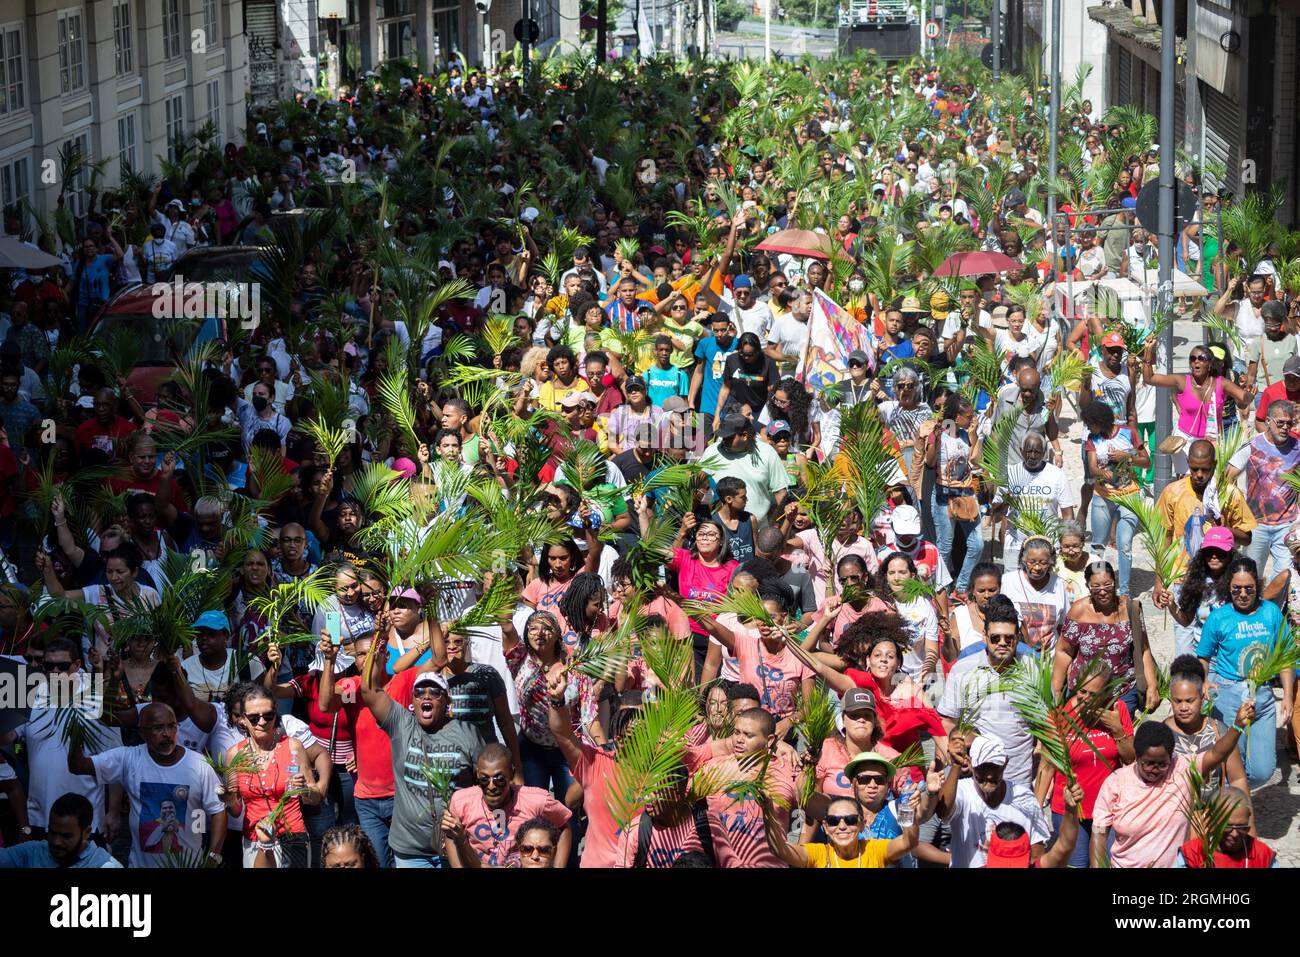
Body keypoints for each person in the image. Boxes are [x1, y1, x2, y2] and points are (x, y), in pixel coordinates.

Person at [358, 653, 483, 867]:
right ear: (413, 700)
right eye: (419, 692)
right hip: (411, 850)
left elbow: (483, 783)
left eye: (435, 692)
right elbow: (369, 690)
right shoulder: (401, 724)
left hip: (455, 844)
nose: (426, 696)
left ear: (446, 701)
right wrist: (377, 646)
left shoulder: (467, 732)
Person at [66, 702, 227, 868]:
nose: (167, 734)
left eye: (172, 726)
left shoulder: (199, 764)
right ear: (143, 733)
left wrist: (213, 858)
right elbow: (78, 766)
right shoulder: (129, 758)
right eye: (158, 728)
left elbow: (218, 810)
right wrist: (76, 727)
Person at [1091, 714, 1253, 867]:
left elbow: (1217, 753)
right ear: (1137, 757)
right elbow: (1099, 832)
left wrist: (1237, 726)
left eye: (1162, 764)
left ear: (1171, 758)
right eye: (1148, 763)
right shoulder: (1116, 782)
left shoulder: (1182, 768)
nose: (1155, 769)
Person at [1197, 557, 1294, 788]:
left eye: (1248, 588)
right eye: (1236, 589)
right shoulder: (1218, 617)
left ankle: (1233, 796)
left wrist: (1288, 696)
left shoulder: (1271, 613)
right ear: (1228, 587)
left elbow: (1285, 658)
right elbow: (1203, 656)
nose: (1242, 594)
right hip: (1229, 696)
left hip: (1262, 696)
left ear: (1257, 587)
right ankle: (1233, 811)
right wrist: (1204, 681)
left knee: (1263, 770)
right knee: (1232, 763)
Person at [1033, 664, 1136, 868]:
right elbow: (1046, 768)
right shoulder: (1059, 715)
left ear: (1106, 693)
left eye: (1093, 694)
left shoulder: (1117, 709)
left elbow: (1131, 760)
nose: (1085, 699)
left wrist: (1117, 728)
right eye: (1082, 691)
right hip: (1070, 810)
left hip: (1109, 810)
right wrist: (1034, 812)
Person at [939, 596, 1033, 785]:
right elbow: (947, 721)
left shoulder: (1033, 670)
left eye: (1009, 638)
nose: (1002, 643)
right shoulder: (963, 669)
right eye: (995, 638)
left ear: (1017, 638)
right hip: (974, 779)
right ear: (984, 636)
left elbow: (1045, 729)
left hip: (1017, 780)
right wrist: (955, 751)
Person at [1053, 560, 1158, 716]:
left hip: (1122, 691)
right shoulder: (1079, 611)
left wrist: (1152, 686)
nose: (1102, 591)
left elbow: (1144, 650)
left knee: (1120, 736)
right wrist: (1056, 691)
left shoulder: (1130, 610)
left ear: (1115, 583)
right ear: (1087, 585)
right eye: (1095, 586)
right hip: (1084, 693)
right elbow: (1064, 651)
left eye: (1107, 585)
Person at [442, 744, 573, 868]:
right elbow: (451, 836)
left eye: (499, 779)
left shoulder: (536, 801)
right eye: (484, 779)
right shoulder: (461, 802)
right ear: (477, 775)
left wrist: (558, 865)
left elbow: (563, 827)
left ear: (512, 774)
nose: (491, 786)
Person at [937, 734, 1051, 868]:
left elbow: (1037, 852)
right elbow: (943, 812)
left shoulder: (1025, 798)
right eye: (983, 767)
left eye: (995, 767)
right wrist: (956, 764)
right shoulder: (962, 791)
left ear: (1005, 764)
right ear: (971, 763)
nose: (990, 775)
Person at [1143, 343, 1252, 476]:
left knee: (1210, 481)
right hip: (1184, 440)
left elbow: (1244, 398)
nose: (1196, 362)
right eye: (1193, 358)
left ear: (1210, 363)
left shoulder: (1221, 383)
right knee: (1185, 482)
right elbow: (1150, 379)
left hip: (1211, 440)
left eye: (1201, 358)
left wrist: (1249, 392)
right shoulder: (1182, 381)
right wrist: (1148, 354)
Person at [1226, 399, 1300, 579]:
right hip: (1256, 525)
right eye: (1280, 422)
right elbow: (1227, 477)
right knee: (1252, 576)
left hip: (1286, 525)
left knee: (1286, 577)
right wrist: (1236, 508)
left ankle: (1279, 608)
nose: (1285, 427)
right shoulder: (1252, 446)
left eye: (1289, 423)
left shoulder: (1298, 448)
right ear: (1268, 421)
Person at [0, 793, 122, 868]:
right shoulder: (32, 853)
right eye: (52, 832)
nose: (56, 841)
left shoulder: (105, 865)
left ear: (86, 832)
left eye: (66, 836)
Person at [1174, 788, 1278, 867]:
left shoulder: (1262, 855)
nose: (1235, 834)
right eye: (1226, 826)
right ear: (1211, 821)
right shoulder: (1192, 854)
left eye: (1242, 827)